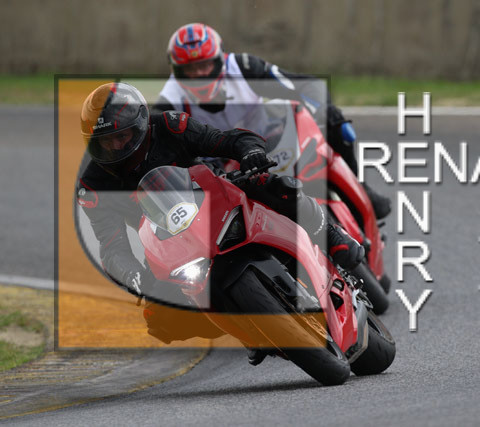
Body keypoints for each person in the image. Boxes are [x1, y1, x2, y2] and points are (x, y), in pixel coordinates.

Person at [76, 82, 364, 348]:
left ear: (140, 124)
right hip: (168, 238)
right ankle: (250, 330)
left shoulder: (168, 126)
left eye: (121, 136)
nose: (115, 146)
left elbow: (226, 139)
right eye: (105, 141)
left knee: (272, 185)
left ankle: (331, 235)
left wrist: (250, 152)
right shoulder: (92, 186)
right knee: (159, 319)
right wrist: (132, 275)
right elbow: (111, 246)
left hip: (215, 197)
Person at [154, 22, 392, 219]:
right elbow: (158, 152)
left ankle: (361, 189)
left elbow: (307, 85)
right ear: (176, 71)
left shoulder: (244, 68)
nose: (200, 75)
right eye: (190, 69)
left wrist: (325, 110)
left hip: (269, 143)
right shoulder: (168, 101)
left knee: (337, 125)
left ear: (220, 60)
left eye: (205, 65)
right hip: (222, 170)